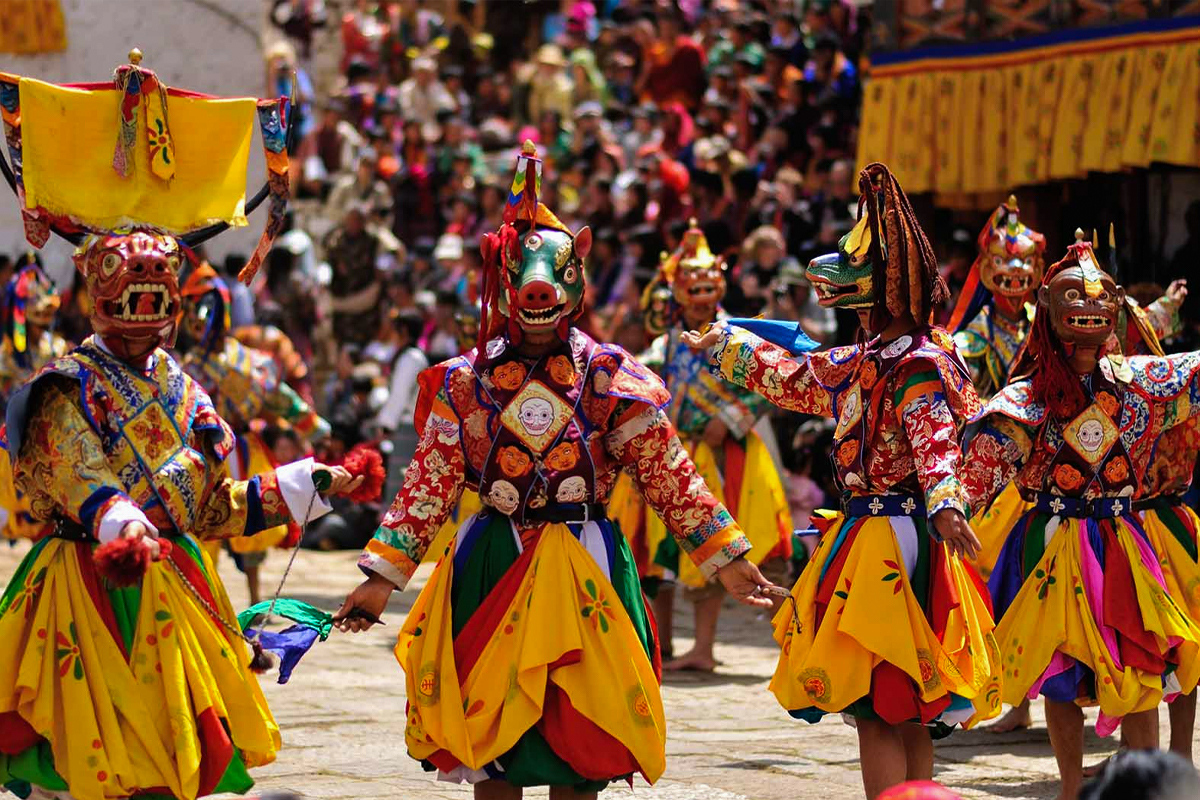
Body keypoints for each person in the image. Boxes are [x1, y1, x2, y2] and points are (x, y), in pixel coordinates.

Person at [334, 142, 777, 798]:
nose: (538, 293)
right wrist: (381, 578)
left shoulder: (608, 374)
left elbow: (668, 469)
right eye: (523, 277)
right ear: (501, 281)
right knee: (496, 742)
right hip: (494, 558)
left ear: (578, 278)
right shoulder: (465, 381)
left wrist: (725, 556)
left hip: (588, 556)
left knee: (584, 743)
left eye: (553, 276)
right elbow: (427, 485)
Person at [685, 163, 1001, 799]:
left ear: (889, 284)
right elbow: (798, 377)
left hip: (897, 534)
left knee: (879, 703)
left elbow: (934, 434)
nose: (832, 273)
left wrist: (943, 501)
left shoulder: (915, 361)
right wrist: (726, 347)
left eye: (855, 266)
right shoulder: (865, 360)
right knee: (900, 696)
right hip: (873, 530)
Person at [961, 235, 1200, 800]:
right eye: (1074, 297)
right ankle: (1071, 787)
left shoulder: (1144, 383)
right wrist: (948, 512)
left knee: (1141, 669)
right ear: (1049, 311)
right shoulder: (1026, 399)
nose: (1088, 305)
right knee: (1061, 677)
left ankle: (1144, 788)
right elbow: (980, 467)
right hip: (1052, 539)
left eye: (1099, 298)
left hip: (1123, 538)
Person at [611, 221, 792, 671]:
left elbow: (771, 383)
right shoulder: (667, 341)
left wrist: (728, 420)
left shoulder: (737, 336)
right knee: (658, 550)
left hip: (725, 454)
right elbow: (645, 376)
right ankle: (663, 642)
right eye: (692, 285)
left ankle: (705, 647)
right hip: (672, 449)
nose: (701, 294)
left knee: (717, 543)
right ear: (676, 288)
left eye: (708, 285)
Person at [177, 263, 331, 605]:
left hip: (243, 448)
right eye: (194, 311)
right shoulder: (184, 367)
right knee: (202, 532)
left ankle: (255, 599)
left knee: (251, 524)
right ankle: (203, 599)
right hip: (201, 452)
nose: (201, 320)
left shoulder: (247, 361)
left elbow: (279, 399)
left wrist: (312, 426)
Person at [0, 260, 68, 542]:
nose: (41, 329)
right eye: (35, 322)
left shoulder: (58, 347)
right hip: (12, 438)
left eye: (45, 323)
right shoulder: (5, 353)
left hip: (52, 436)